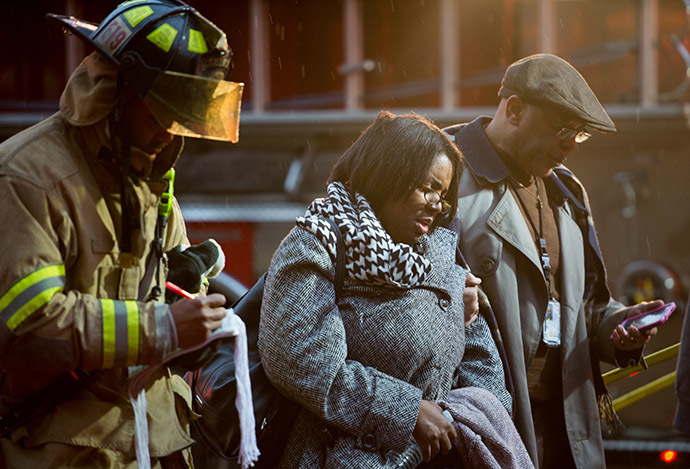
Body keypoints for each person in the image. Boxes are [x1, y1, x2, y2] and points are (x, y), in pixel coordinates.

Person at [0, 1, 243, 467]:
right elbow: (29, 325)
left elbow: (149, 291)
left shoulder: (147, 173)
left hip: (154, 444)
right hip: (65, 452)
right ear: (115, 93)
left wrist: (183, 292)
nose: (171, 136)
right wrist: (163, 328)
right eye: (160, 115)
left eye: (183, 120)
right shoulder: (29, 178)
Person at [258, 111, 529, 468]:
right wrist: (407, 412)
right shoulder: (319, 242)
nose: (438, 204)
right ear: (386, 176)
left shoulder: (441, 253)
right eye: (428, 187)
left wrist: (470, 424)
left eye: (444, 194)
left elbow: (482, 359)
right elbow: (301, 359)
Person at [444, 53, 663, 469]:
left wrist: (618, 326)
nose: (568, 145)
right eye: (563, 128)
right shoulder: (445, 175)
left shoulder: (567, 194)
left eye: (579, 134)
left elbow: (583, 305)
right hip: (484, 426)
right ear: (514, 109)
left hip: (565, 424)